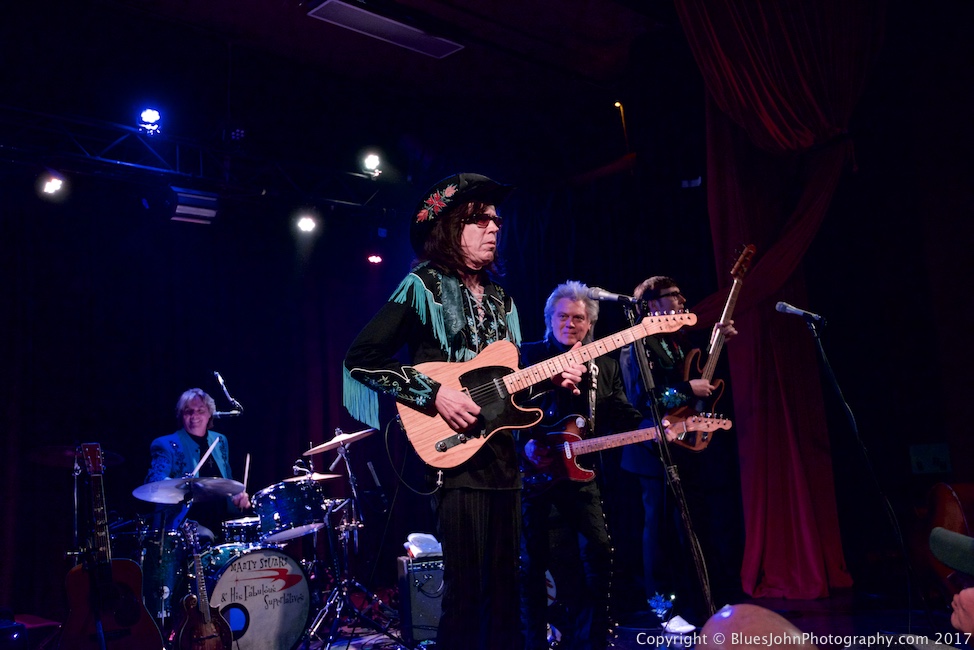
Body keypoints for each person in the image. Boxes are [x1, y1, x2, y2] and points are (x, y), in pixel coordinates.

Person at [343, 173, 582, 650]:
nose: (495, 228)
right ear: (452, 226)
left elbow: (508, 395)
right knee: (466, 593)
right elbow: (362, 358)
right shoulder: (422, 286)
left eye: (497, 220)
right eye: (481, 220)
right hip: (455, 462)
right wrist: (433, 393)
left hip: (503, 462)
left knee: (507, 591)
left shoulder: (503, 300)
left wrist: (548, 382)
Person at [518, 280, 667, 650]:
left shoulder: (605, 365)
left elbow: (621, 412)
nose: (570, 324)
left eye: (579, 318)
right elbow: (506, 415)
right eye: (563, 317)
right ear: (549, 319)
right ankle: (535, 642)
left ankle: (592, 640)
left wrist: (653, 428)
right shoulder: (527, 356)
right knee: (533, 567)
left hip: (582, 479)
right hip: (534, 479)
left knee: (600, 555)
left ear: (590, 325)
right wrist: (527, 445)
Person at [618, 275, 740, 632]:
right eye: (673, 294)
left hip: (686, 446)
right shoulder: (637, 344)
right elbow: (644, 400)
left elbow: (700, 385)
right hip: (651, 452)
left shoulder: (676, 341)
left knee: (695, 527)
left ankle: (704, 601)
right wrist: (686, 388)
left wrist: (718, 345)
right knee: (658, 533)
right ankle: (661, 609)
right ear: (652, 304)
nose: (683, 298)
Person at [145, 387, 251, 540]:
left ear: (210, 414)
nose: (194, 416)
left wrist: (236, 497)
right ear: (181, 415)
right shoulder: (165, 444)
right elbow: (155, 480)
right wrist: (184, 486)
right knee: (205, 536)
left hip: (220, 519)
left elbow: (226, 481)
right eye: (188, 411)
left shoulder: (219, 441)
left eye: (200, 410)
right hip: (183, 524)